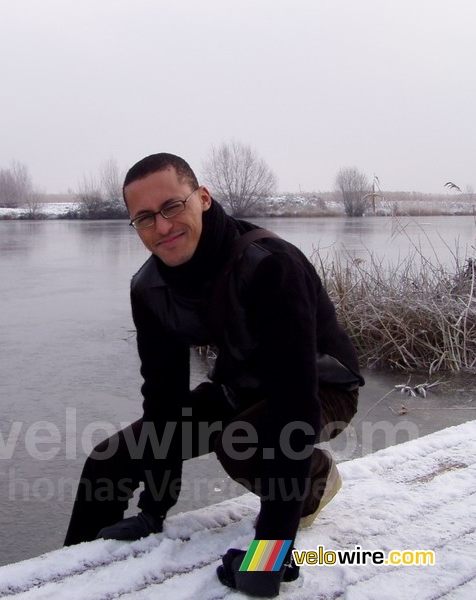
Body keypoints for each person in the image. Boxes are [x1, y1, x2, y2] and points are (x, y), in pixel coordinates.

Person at [64, 153, 363, 597]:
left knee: (240, 442)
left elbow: (294, 406)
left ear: (202, 198)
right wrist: (153, 510)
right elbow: (163, 401)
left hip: (322, 385)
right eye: (144, 218)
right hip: (240, 385)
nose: (162, 227)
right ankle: (68, 573)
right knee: (108, 461)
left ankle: (314, 479)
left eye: (172, 207)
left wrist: (271, 554)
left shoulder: (270, 265)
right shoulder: (149, 289)